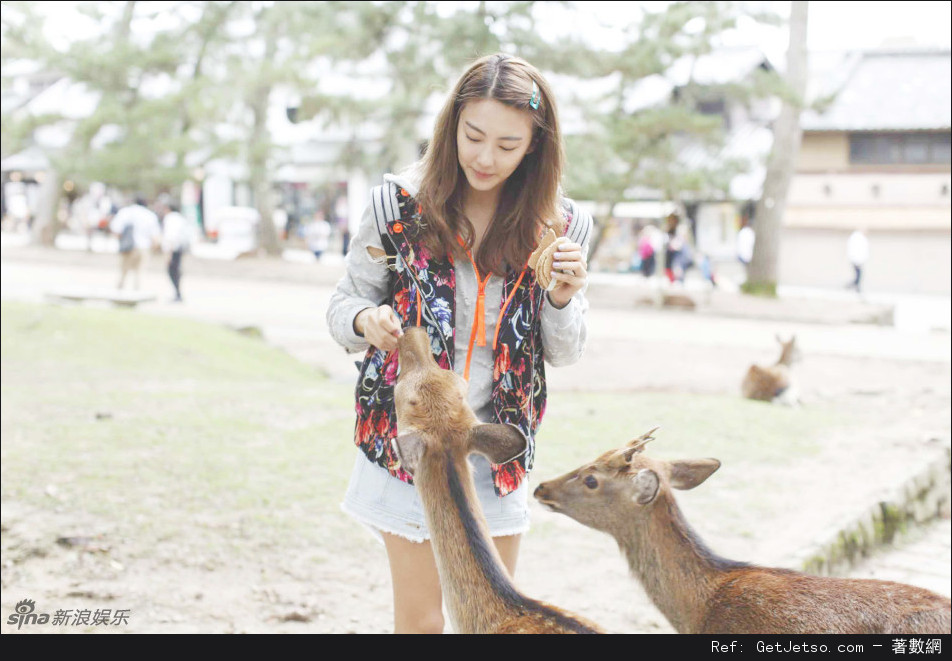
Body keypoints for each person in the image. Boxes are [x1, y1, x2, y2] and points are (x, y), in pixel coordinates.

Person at [326, 53, 592, 634]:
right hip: (413, 449)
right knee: (421, 622)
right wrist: (366, 322)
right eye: (473, 136)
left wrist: (563, 298)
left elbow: (565, 352)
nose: (485, 158)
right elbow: (342, 305)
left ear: (535, 145)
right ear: (451, 126)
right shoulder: (396, 205)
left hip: (494, 450)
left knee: (493, 622)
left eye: (507, 144)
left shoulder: (561, 225)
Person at [110, 196, 160, 290]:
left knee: (123, 272)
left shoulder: (125, 212)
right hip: (144, 247)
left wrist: (121, 242)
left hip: (128, 247)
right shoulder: (149, 215)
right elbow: (155, 236)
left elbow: (116, 230)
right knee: (140, 273)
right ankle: (137, 294)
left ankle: (119, 293)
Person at [160, 201, 192, 302]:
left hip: (173, 248)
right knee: (176, 271)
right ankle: (177, 293)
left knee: (172, 271)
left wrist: (168, 253)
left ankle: (177, 294)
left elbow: (171, 236)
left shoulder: (171, 218)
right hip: (180, 248)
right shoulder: (180, 218)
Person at [846, 228, 869, 293]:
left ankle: (854, 285)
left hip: (856, 258)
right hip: (856, 259)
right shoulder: (858, 238)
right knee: (859, 273)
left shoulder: (857, 238)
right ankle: (855, 285)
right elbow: (858, 249)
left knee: (858, 273)